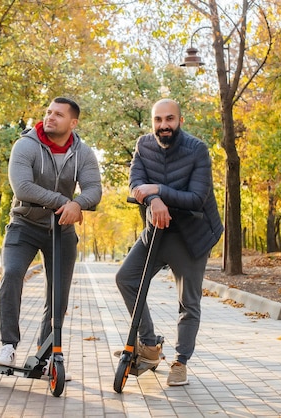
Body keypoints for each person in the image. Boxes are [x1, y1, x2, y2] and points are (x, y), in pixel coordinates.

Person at [115, 98, 223, 386]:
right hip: (157, 229)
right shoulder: (143, 145)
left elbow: (197, 197)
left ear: (180, 121)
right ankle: (149, 347)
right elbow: (135, 184)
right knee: (126, 278)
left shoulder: (197, 150)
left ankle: (181, 361)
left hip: (192, 234)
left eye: (170, 119)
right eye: (158, 120)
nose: (164, 125)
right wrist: (154, 199)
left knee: (188, 301)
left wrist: (158, 189)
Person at [0, 97, 102, 375]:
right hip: (24, 224)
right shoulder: (26, 145)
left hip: (62, 230)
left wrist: (76, 204)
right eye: (48, 112)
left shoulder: (84, 153)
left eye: (58, 114)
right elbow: (23, 188)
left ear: (73, 123)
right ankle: (8, 345)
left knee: (58, 296)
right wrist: (63, 201)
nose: (50, 117)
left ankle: (46, 351)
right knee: (13, 273)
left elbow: (94, 190)